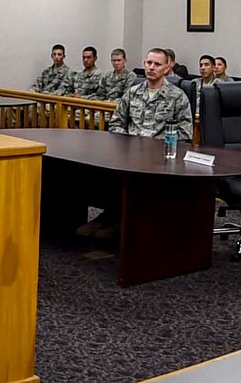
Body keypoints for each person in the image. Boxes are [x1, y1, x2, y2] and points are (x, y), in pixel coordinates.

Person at [79, 48, 192, 240]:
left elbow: (185, 132)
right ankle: (110, 216)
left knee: (140, 183)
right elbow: (116, 123)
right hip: (129, 154)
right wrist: (127, 145)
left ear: (166, 68)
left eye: (157, 64)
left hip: (158, 158)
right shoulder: (132, 93)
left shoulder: (177, 96)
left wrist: (157, 147)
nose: (151, 67)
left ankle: (122, 223)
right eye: (148, 63)